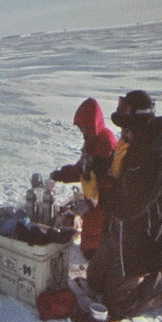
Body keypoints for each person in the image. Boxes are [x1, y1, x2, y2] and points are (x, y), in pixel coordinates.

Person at [86, 90, 162, 320]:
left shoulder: (156, 160)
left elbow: (126, 209)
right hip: (119, 234)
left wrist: (103, 190)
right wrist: (98, 167)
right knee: (93, 282)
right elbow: (117, 179)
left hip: (142, 242)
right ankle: (153, 270)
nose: (123, 133)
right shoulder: (130, 146)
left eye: (127, 127)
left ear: (139, 124)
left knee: (115, 307)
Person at [50, 98, 118, 260]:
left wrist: (89, 200)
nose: (82, 131)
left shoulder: (105, 143)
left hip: (104, 204)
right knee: (88, 244)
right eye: (81, 127)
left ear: (93, 125)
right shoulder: (92, 142)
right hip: (94, 202)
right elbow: (82, 169)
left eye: (84, 128)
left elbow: (105, 181)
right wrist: (61, 175)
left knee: (93, 247)